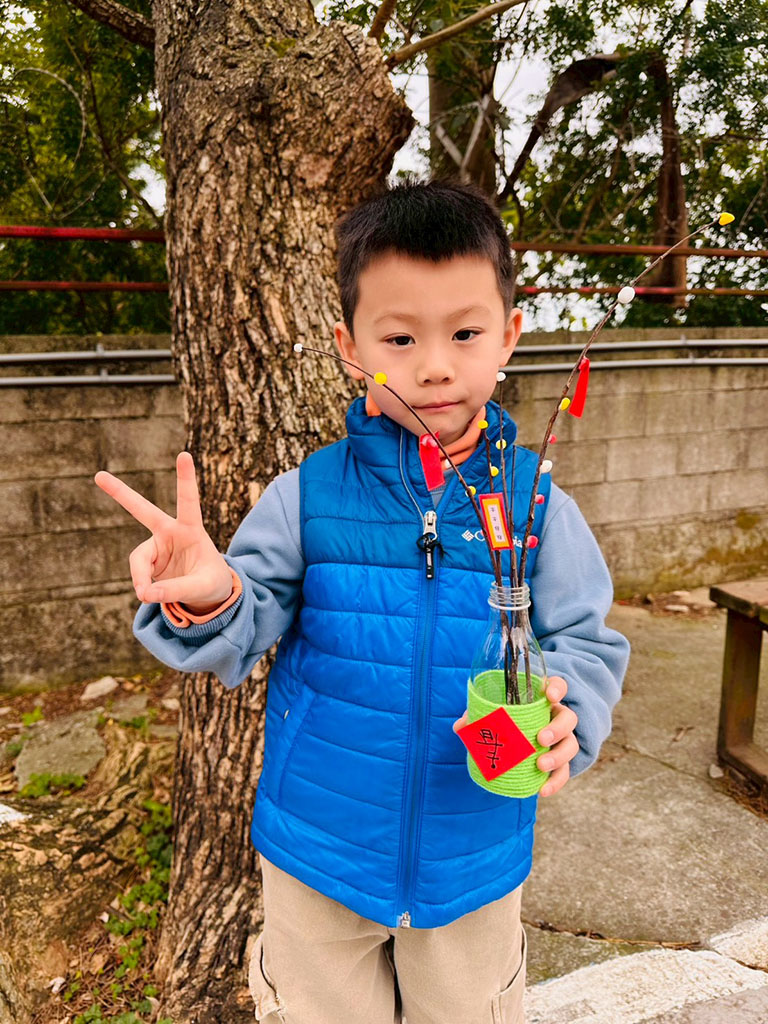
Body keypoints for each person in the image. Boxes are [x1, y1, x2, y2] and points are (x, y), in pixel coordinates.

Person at [94, 177, 630, 1024]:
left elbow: (586, 642)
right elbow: (248, 611)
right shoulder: (307, 495)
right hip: (317, 852)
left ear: (509, 335)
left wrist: (573, 710)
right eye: (400, 337)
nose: (435, 365)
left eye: (465, 333)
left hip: (474, 854)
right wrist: (210, 593)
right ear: (351, 347)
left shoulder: (538, 504)